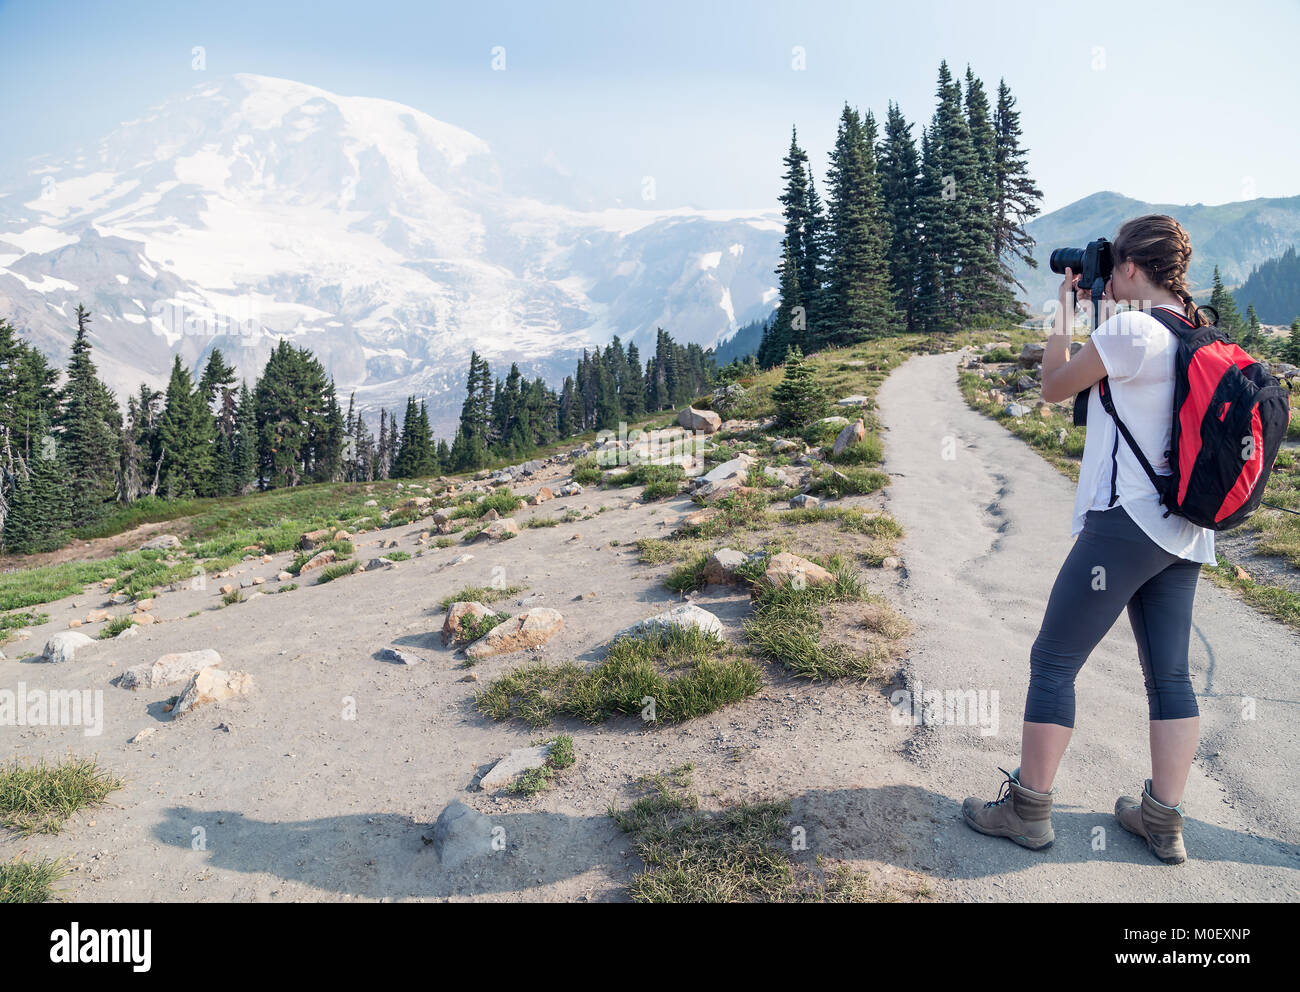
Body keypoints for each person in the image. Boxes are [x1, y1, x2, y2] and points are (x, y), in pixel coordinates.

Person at [962, 214, 1216, 865]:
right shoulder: (1194, 326)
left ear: (1130, 267)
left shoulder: (1129, 329)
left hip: (1123, 526)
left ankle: (1028, 811)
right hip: (1184, 531)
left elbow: (1053, 387)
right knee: (1169, 677)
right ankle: (1163, 821)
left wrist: (1065, 313)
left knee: (1053, 661)